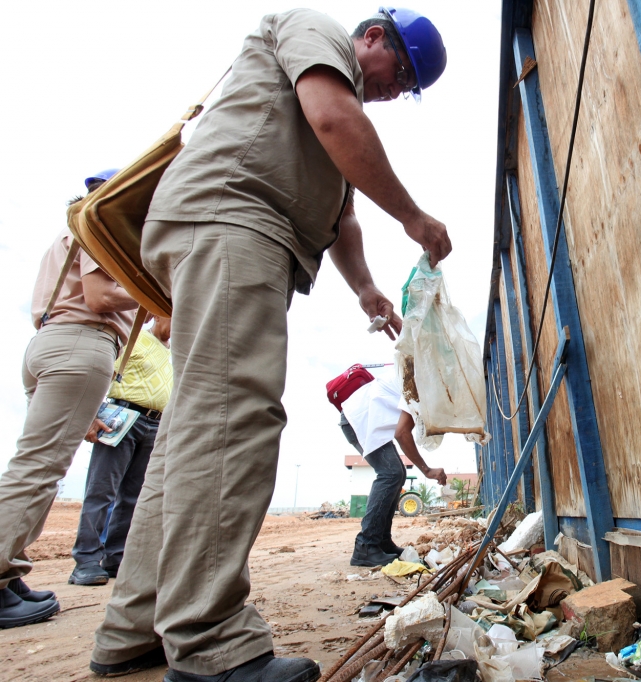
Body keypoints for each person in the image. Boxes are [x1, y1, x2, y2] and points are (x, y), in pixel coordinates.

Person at [90, 8, 452, 681]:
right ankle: (210, 643)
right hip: (232, 220)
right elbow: (336, 121)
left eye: (406, 89)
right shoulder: (318, 34)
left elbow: (341, 217)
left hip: (231, 229)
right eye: (400, 73)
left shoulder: (330, 101)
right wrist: (413, 216)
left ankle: (136, 626)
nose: (394, 90)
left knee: (191, 432)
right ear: (374, 36)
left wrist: (367, 291)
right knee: (233, 417)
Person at [0, 169, 139, 629]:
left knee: (36, 466)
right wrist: (159, 292)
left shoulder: (70, 230)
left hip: (49, 342)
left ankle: (9, 573)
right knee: (38, 469)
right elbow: (100, 299)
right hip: (81, 341)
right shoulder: (99, 227)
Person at [68, 316, 172, 587]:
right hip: (121, 416)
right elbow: (102, 374)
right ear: (158, 314)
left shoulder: (175, 353)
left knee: (133, 497)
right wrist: (90, 414)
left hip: (156, 424)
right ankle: (86, 559)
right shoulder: (134, 338)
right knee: (102, 490)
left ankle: (116, 557)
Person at [340, 368, 447, 567]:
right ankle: (365, 546)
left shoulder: (422, 378)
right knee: (390, 473)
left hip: (367, 419)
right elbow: (402, 433)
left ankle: (382, 541)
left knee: (397, 473)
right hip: (358, 419)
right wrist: (426, 470)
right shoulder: (420, 383)